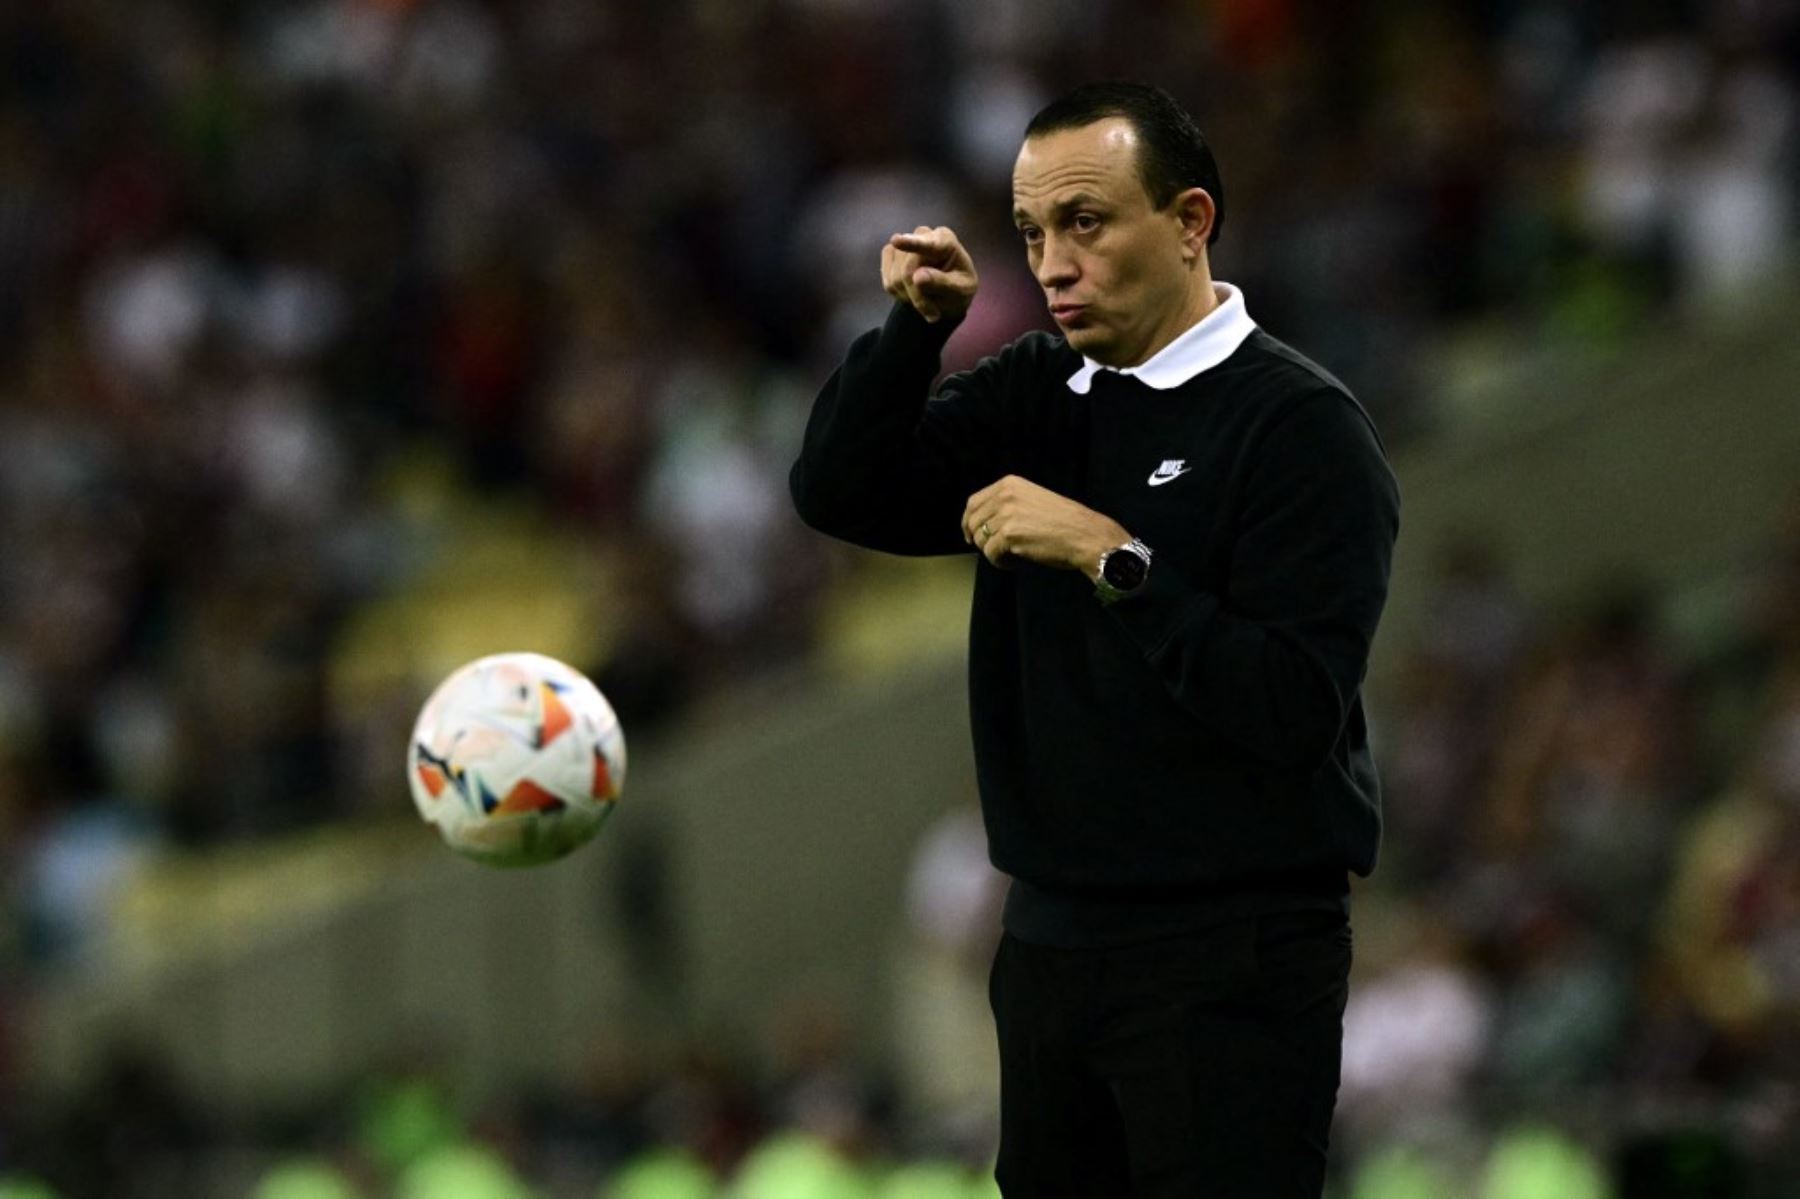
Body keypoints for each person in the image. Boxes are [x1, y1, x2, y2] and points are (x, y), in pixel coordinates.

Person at [789, 81, 1401, 1198]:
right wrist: (914, 331)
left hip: (1232, 952)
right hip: (1051, 943)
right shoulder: (1038, 390)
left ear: (1190, 221)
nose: (1053, 264)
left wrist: (1113, 556)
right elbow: (839, 490)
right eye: (1031, 234)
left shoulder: (1300, 427)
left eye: (1085, 222)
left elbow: (1292, 707)